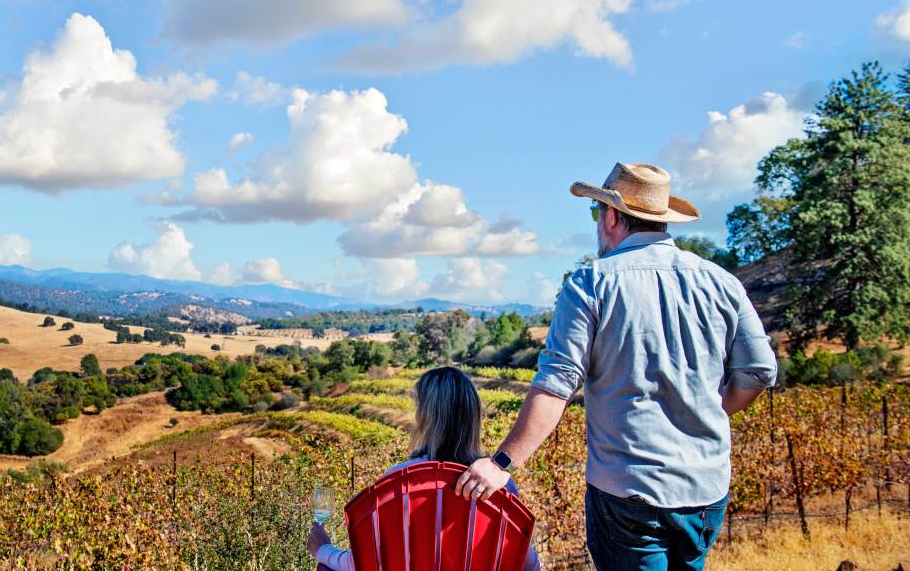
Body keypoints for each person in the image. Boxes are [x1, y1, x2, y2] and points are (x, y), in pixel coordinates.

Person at [455, 163, 778, 571]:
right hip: (705, 490)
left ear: (611, 216)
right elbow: (759, 371)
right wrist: (710, 411)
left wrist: (500, 464)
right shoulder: (722, 282)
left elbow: (556, 385)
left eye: (595, 213)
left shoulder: (591, 283)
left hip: (628, 494)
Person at [306, 366, 541, 571]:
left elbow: (363, 564)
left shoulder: (399, 482)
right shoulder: (500, 484)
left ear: (423, 418)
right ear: (474, 417)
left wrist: (323, 550)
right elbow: (525, 563)